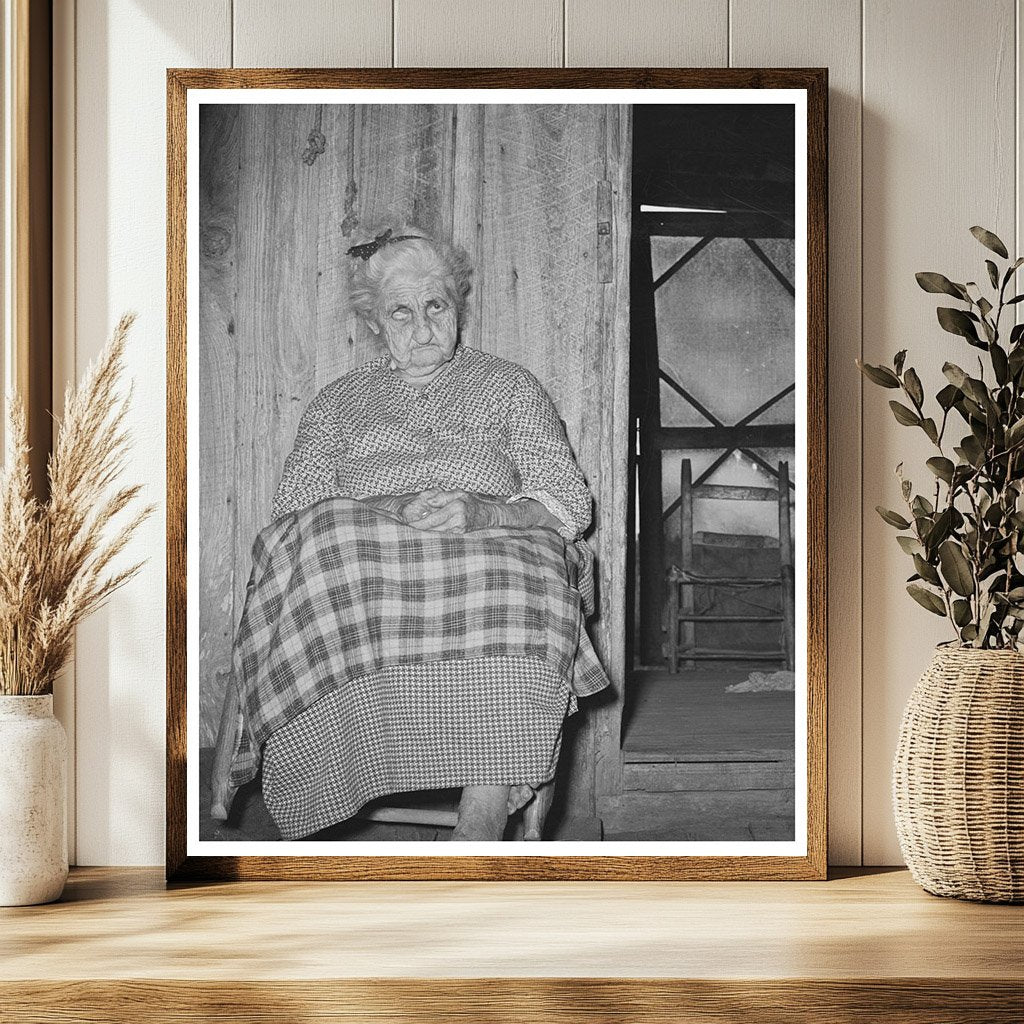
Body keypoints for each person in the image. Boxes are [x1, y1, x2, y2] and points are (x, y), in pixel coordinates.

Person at [210, 225, 606, 841]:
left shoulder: (509, 386)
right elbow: (290, 517)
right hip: (368, 566)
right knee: (322, 547)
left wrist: (486, 512)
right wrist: (385, 507)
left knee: (523, 574)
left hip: (487, 552)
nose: (422, 327)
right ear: (375, 322)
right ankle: (326, 781)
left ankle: (482, 813)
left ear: (457, 309)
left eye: (435, 306)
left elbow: (570, 503)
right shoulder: (338, 403)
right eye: (402, 312)